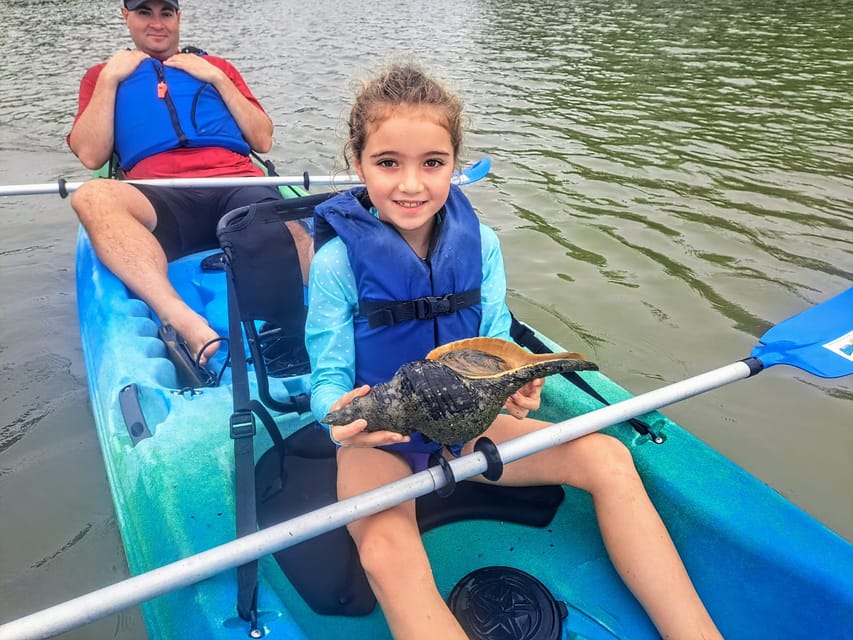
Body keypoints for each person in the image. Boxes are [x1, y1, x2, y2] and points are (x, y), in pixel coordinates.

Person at [305, 63, 723, 640]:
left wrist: (523, 385)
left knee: (607, 459)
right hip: (385, 442)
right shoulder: (335, 265)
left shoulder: (485, 246)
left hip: (472, 429)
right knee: (384, 552)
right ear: (358, 164)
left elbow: (499, 348)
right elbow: (325, 383)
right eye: (387, 163)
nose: (411, 184)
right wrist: (345, 423)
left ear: (455, 164)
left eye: (433, 163)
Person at [67, 0, 311, 367]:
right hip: (158, 196)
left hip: (234, 185)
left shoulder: (218, 68)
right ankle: (178, 316)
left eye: (166, 13)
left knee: (288, 224)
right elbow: (90, 156)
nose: (157, 23)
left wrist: (216, 77)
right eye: (144, 13)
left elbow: (261, 140)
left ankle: (330, 313)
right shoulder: (101, 76)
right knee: (91, 197)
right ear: (126, 16)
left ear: (178, 17)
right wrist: (109, 79)